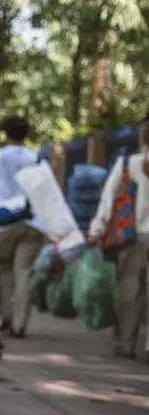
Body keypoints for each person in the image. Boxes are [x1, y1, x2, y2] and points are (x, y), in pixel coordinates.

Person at [0, 115, 45, 338]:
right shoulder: (36, 158)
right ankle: (20, 324)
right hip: (32, 223)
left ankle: (4, 317)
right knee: (24, 273)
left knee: (3, 272)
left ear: (5, 133)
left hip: (2, 224)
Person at [88, 119, 149, 359]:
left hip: (132, 238)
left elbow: (109, 199)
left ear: (141, 139)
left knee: (130, 292)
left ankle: (126, 343)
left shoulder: (127, 165)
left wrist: (97, 229)